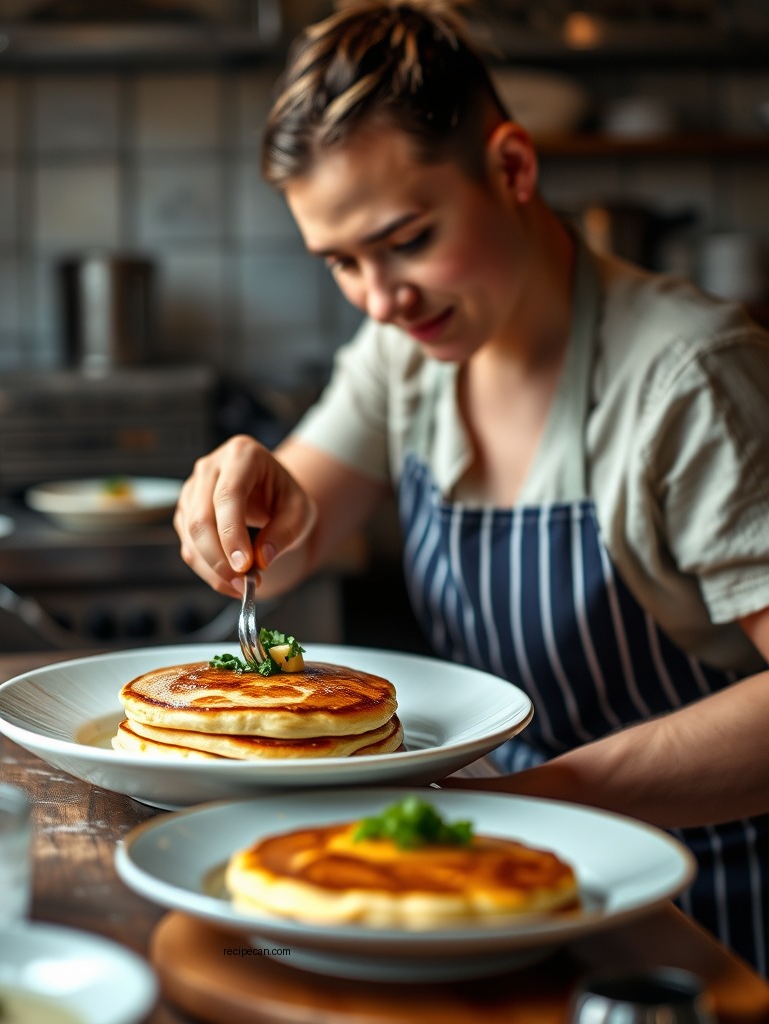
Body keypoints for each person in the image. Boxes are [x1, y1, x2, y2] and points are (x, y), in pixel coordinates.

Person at [173, 0, 769, 975]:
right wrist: (244, 505)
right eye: (340, 261)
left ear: (512, 168)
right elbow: (283, 550)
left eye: (405, 238)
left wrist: (529, 804)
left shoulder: (688, 378)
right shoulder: (406, 352)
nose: (378, 296)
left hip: (698, 920)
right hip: (487, 893)